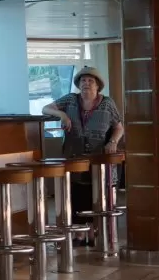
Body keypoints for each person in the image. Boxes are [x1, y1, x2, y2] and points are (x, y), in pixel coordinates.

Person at [42, 66, 124, 215]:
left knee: (98, 200)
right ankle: (79, 228)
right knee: (76, 200)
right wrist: (62, 115)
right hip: (74, 158)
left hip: (99, 161)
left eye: (90, 81)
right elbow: (46, 109)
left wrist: (113, 142)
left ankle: (96, 227)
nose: (86, 83)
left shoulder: (107, 103)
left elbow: (119, 127)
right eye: (83, 81)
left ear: (98, 85)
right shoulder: (70, 99)